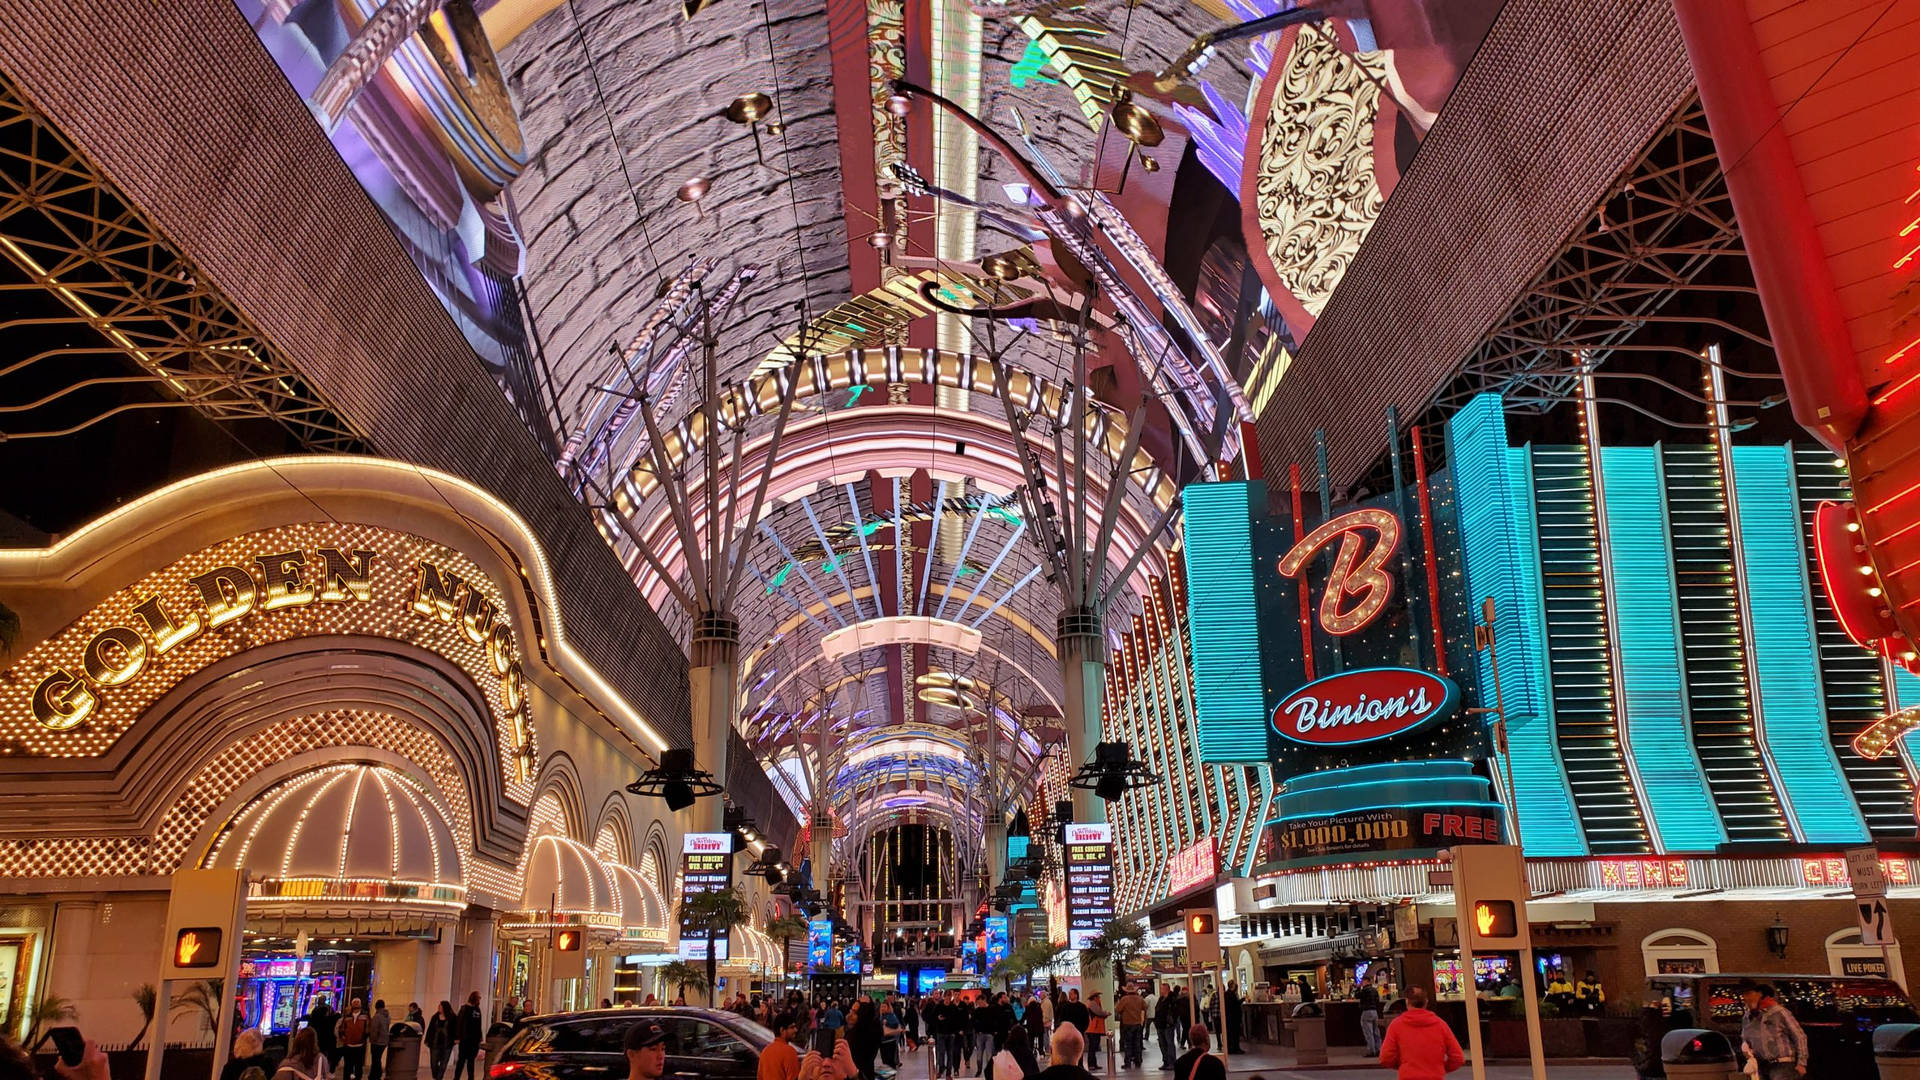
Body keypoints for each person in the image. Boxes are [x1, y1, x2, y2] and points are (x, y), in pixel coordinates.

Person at [1378, 987, 1464, 1080]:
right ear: (1426, 1002)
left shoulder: (1397, 1025)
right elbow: (1458, 1058)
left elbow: (1386, 1058)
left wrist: (1403, 1066)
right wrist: (1441, 1068)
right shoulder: (1440, 1025)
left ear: (1407, 1002)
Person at [1738, 980, 1808, 1079]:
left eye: (1749, 993)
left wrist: (1801, 1063)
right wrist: (1748, 1054)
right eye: (1744, 994)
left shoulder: (1779, 1012)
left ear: (1760, 994)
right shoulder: (1747, 1017)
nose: (1746, 998)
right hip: (1761, 1066)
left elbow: (1799, 1037)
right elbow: (1745, 1040)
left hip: (1783, 1065)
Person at [760, 1013, 803, 1080]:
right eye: (792, 1027)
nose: (795, 1030)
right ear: (782, 1030)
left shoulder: (765, 1052)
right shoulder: (789, 1052)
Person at [1114, 985, 1146, 1069]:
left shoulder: (1124, 999)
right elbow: (1145, 1007)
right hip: (1137, 1024)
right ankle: (1138, 1061)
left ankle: (1127, 1063)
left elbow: (1117, 1009)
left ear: (1127, 991)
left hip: (1127, 1024)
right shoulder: (1140, 998)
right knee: (1137, 1043)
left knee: (1128, 1044)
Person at [336, 1000, 370, 1080]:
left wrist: (364, 1038)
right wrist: (343, 1037)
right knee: (348, 1066)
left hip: (360, 1045)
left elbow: (368, 1028)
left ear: (360, 1004)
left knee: (358, 1066)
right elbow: (342, 1028)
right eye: (354, 1002)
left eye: (358, 1002)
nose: (356, 1004)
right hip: (348, 1045)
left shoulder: (365, 1016)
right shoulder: (347, 1016)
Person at [454, 992, 484, 1080]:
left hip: (474, 1040)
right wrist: (457, 1037)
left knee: (471, 1061)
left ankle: (471, 1077)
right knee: (461, 1060)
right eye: (478, 998)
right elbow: (459, 1023)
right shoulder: (464, 1009)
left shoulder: (477, 1009)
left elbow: (479, 1024)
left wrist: (480, 1037)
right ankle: (456, 1077)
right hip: (465, 1039)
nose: (479, 999)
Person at [309, 996, 341, 1071]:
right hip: (328, 1036)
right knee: (327, 1054)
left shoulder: (315, 1010)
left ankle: (319, 1068)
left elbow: (311, 1022)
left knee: (319, 1053)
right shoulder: (329, 1009)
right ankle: (326, 1069)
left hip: (319, 1035)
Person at [425, 1001, 456, 1080]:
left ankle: (439, 1078)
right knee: (433, 1064)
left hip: (447, 1044)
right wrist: (427, 1040)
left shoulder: (453, 1017)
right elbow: (430, 1029)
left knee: (443, 1064)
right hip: (435, 1043)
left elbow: (456, 1029)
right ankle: (436, 1076)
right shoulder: (435, 1017)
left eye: (440, 1006)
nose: (439, 1008)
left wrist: (456, 1039)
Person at [1355, 975, 1383, 1058]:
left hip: (1366, 1011)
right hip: (1374, 1012)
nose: (1362, 983)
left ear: (1365, 981)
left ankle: (1371, 1051)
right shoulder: (1374, 990)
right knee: (1376, 1032)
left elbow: (1356, 995)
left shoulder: (1365, 990)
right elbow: (1378, 1000)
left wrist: (1358, 988)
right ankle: (1379, 1049)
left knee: (1368, 1032)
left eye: (1362, 981)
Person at [973, 994, 998, 1074]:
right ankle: (979, 1069)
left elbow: (995, 1020)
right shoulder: (977, 1011)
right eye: (978, 1003)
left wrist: (994, 1030)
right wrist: (977, 1029)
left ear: (984, 1000)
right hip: (980, 1035)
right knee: (979, 1056)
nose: (979, 1005)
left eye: (980, 1003)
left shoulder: (992, 1009)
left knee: (989, 1055)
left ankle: (989, 1071)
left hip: (989, 1035)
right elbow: (973, 1021)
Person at [368, 1000, 392, 1080]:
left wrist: (372, 1040)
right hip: (384, 1041)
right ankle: (374, 1075)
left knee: (375, 1059)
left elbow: (374, 1029)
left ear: (376, 1006)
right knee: (377, 1058)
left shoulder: (377, 1016)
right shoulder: (387, 1016)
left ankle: (376, 1075)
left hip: (377, 1041)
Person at [1084, 993, 1107, 1070]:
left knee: (1093, 1047)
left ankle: (1094, 1064)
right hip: (1093, 1029)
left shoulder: (1092, 1003)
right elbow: (1099, 1012)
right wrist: (1106, 1013)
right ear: (1094, 997)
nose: (1099, 998)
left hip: (1094, 1029)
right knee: (1092, 1047)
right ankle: (1091, 1065)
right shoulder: (1092, 1004)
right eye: (1098, 996)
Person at [881, 999, 904, 1071]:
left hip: (890, 1041)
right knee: (885, 1062)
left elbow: (897, 1026)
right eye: (882, 1007)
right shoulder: (882, 1016)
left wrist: (886, 1024)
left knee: (889, 1062)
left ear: (888, 1007)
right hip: (883, 1042)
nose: (882, 1008)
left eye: (884, 1007)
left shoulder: (891, 1016)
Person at [1221, 983, 1241, 1056]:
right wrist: (1242, 1000)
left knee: (1230, 1033)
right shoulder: (1232, 995)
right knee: (1235, 1033)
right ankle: (1236, 1048)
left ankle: (1230, 1048)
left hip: (1228, 1017)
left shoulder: (1226, 994)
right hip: (1234, 1017)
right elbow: (1235, 1004)